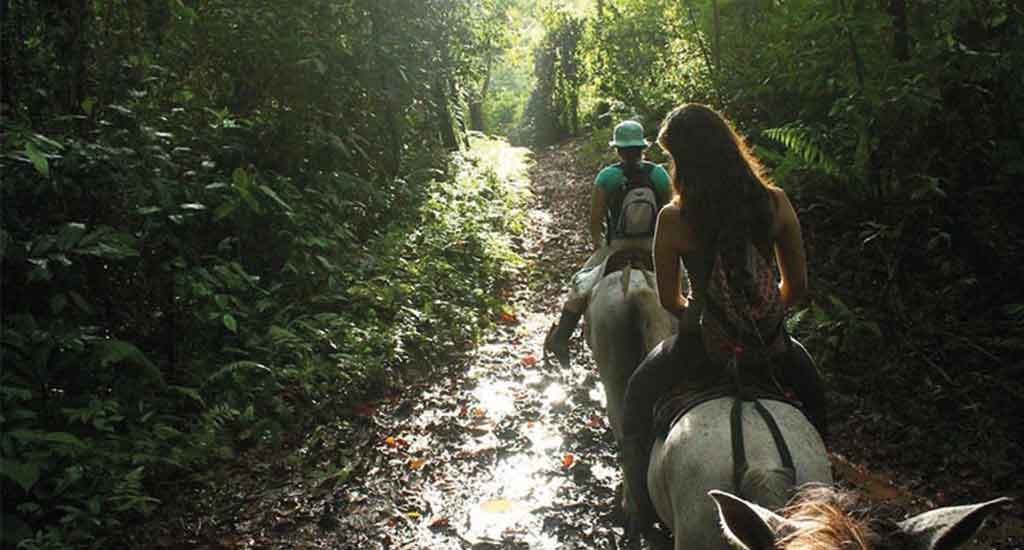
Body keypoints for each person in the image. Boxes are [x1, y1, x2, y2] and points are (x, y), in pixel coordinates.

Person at [618, 104, 827, 534]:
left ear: (685, 159)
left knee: (637, 398)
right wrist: (760, 317)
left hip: (698, 346)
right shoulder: (775, 204)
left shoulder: (675, 218)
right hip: (771, 346)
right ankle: (827, 493)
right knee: (817, 400)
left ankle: (639, 512)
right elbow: (797, 288)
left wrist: (710, 317)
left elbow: (669, 299)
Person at [544, 120, 672, 367]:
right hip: (654, 247)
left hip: (617, 246)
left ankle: (561, 337)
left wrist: (600, 248)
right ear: (642, 148)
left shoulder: (608, 176)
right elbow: (669, 214)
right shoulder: (659, 174)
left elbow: (595, 220)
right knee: (685, 287)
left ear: (618, 150)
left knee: (581, 284)